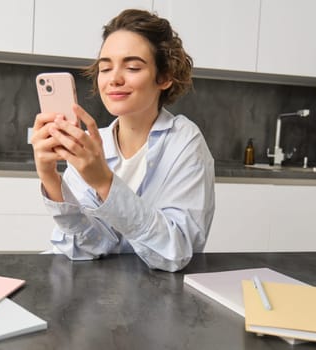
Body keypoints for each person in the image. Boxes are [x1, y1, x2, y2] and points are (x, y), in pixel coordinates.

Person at [31, 9, 215, 272]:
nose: (114, 79)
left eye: (132, 67)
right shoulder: (96, 144)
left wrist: (103, 182)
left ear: (163, 77)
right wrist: (50, 178)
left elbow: (176, 252)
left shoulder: (185, 142)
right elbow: (91, 245)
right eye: (105, 68)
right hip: (98, 294)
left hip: (157, 297)